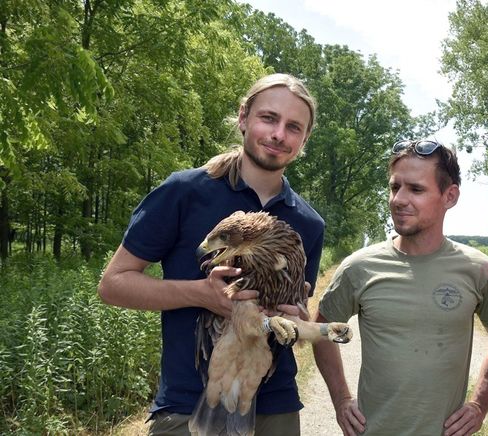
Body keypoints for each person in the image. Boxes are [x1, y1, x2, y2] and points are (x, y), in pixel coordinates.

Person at [98, 73, 325, 435]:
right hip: (190, 406)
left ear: (304, 139)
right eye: (268, 118)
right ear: (243, 117)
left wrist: (294, 317)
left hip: (275, 406)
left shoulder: (308, 223)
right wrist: (200, 294)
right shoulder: (185, 192)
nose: (279, 134)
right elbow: (113, 285)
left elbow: (297, 311)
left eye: (293, 127)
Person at [312, 139, 488, 436]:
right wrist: (340, 400)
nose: (398, 199)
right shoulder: (359, 267)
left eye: (415, 189)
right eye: (394, 187)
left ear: (450, 196)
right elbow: (321, 331)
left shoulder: (478, 270)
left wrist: (479, 404)